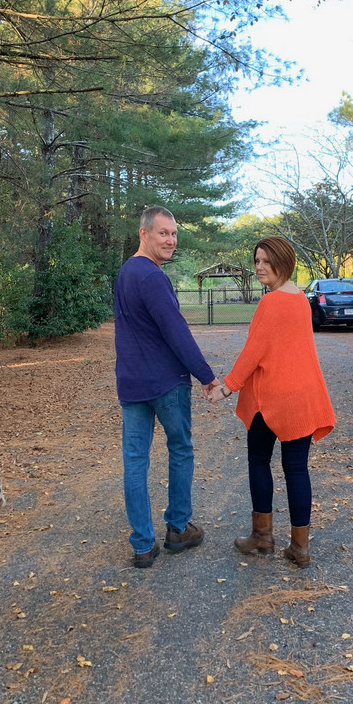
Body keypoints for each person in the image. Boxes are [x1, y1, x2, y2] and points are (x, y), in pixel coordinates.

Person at [208, 237, 334, 568]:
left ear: (283, 262)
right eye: (257, 261)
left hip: (272, 399)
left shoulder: (271, 302)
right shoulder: (301, 299)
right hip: (303, 397)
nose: (260, 267)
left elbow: (254, 352)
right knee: (297, 469)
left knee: (259, 461)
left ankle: (262, 536)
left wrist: (227, 388)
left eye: (267, 261)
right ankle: (300, 548)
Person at [114, 205, 219, 568]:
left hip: (132, 383)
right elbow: (176, 332)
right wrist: (206, 375)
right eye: (163, 233)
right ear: (143, 234)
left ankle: (143, 545)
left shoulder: (126, 273)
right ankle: (177, 528)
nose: (171, 240)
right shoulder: (152, 276)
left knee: (135, 461)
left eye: (174, 234)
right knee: (180, 449)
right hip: (165, 384)